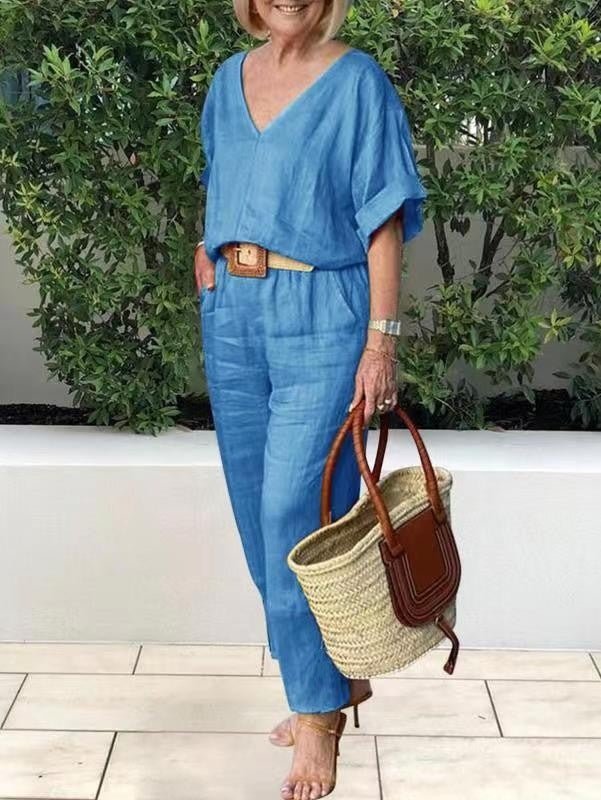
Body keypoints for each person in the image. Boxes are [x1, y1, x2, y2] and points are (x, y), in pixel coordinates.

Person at [193, 1, 428, 797]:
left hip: (323, 313)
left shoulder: (357, 82)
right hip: (233, 314)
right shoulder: (228, 80)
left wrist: (380, 339)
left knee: (292, 512)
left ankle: (319, 716)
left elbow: (383, 216)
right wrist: (205, 250)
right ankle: (327, 674)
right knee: (256, 513)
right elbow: (219, 176)